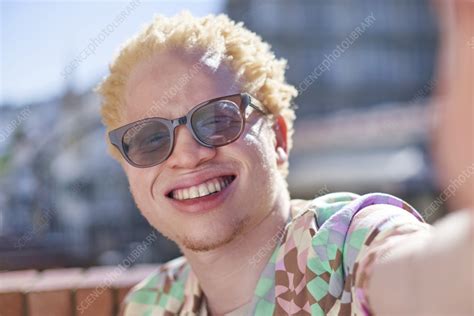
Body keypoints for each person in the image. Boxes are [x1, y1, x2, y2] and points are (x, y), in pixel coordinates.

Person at [96, 12, 430, 315]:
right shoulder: (149, 304)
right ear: (127, 168)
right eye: (151, 139)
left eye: (217, 120)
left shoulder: (351, 245)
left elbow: (429, 277)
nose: (187, 155)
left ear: (279, 139)